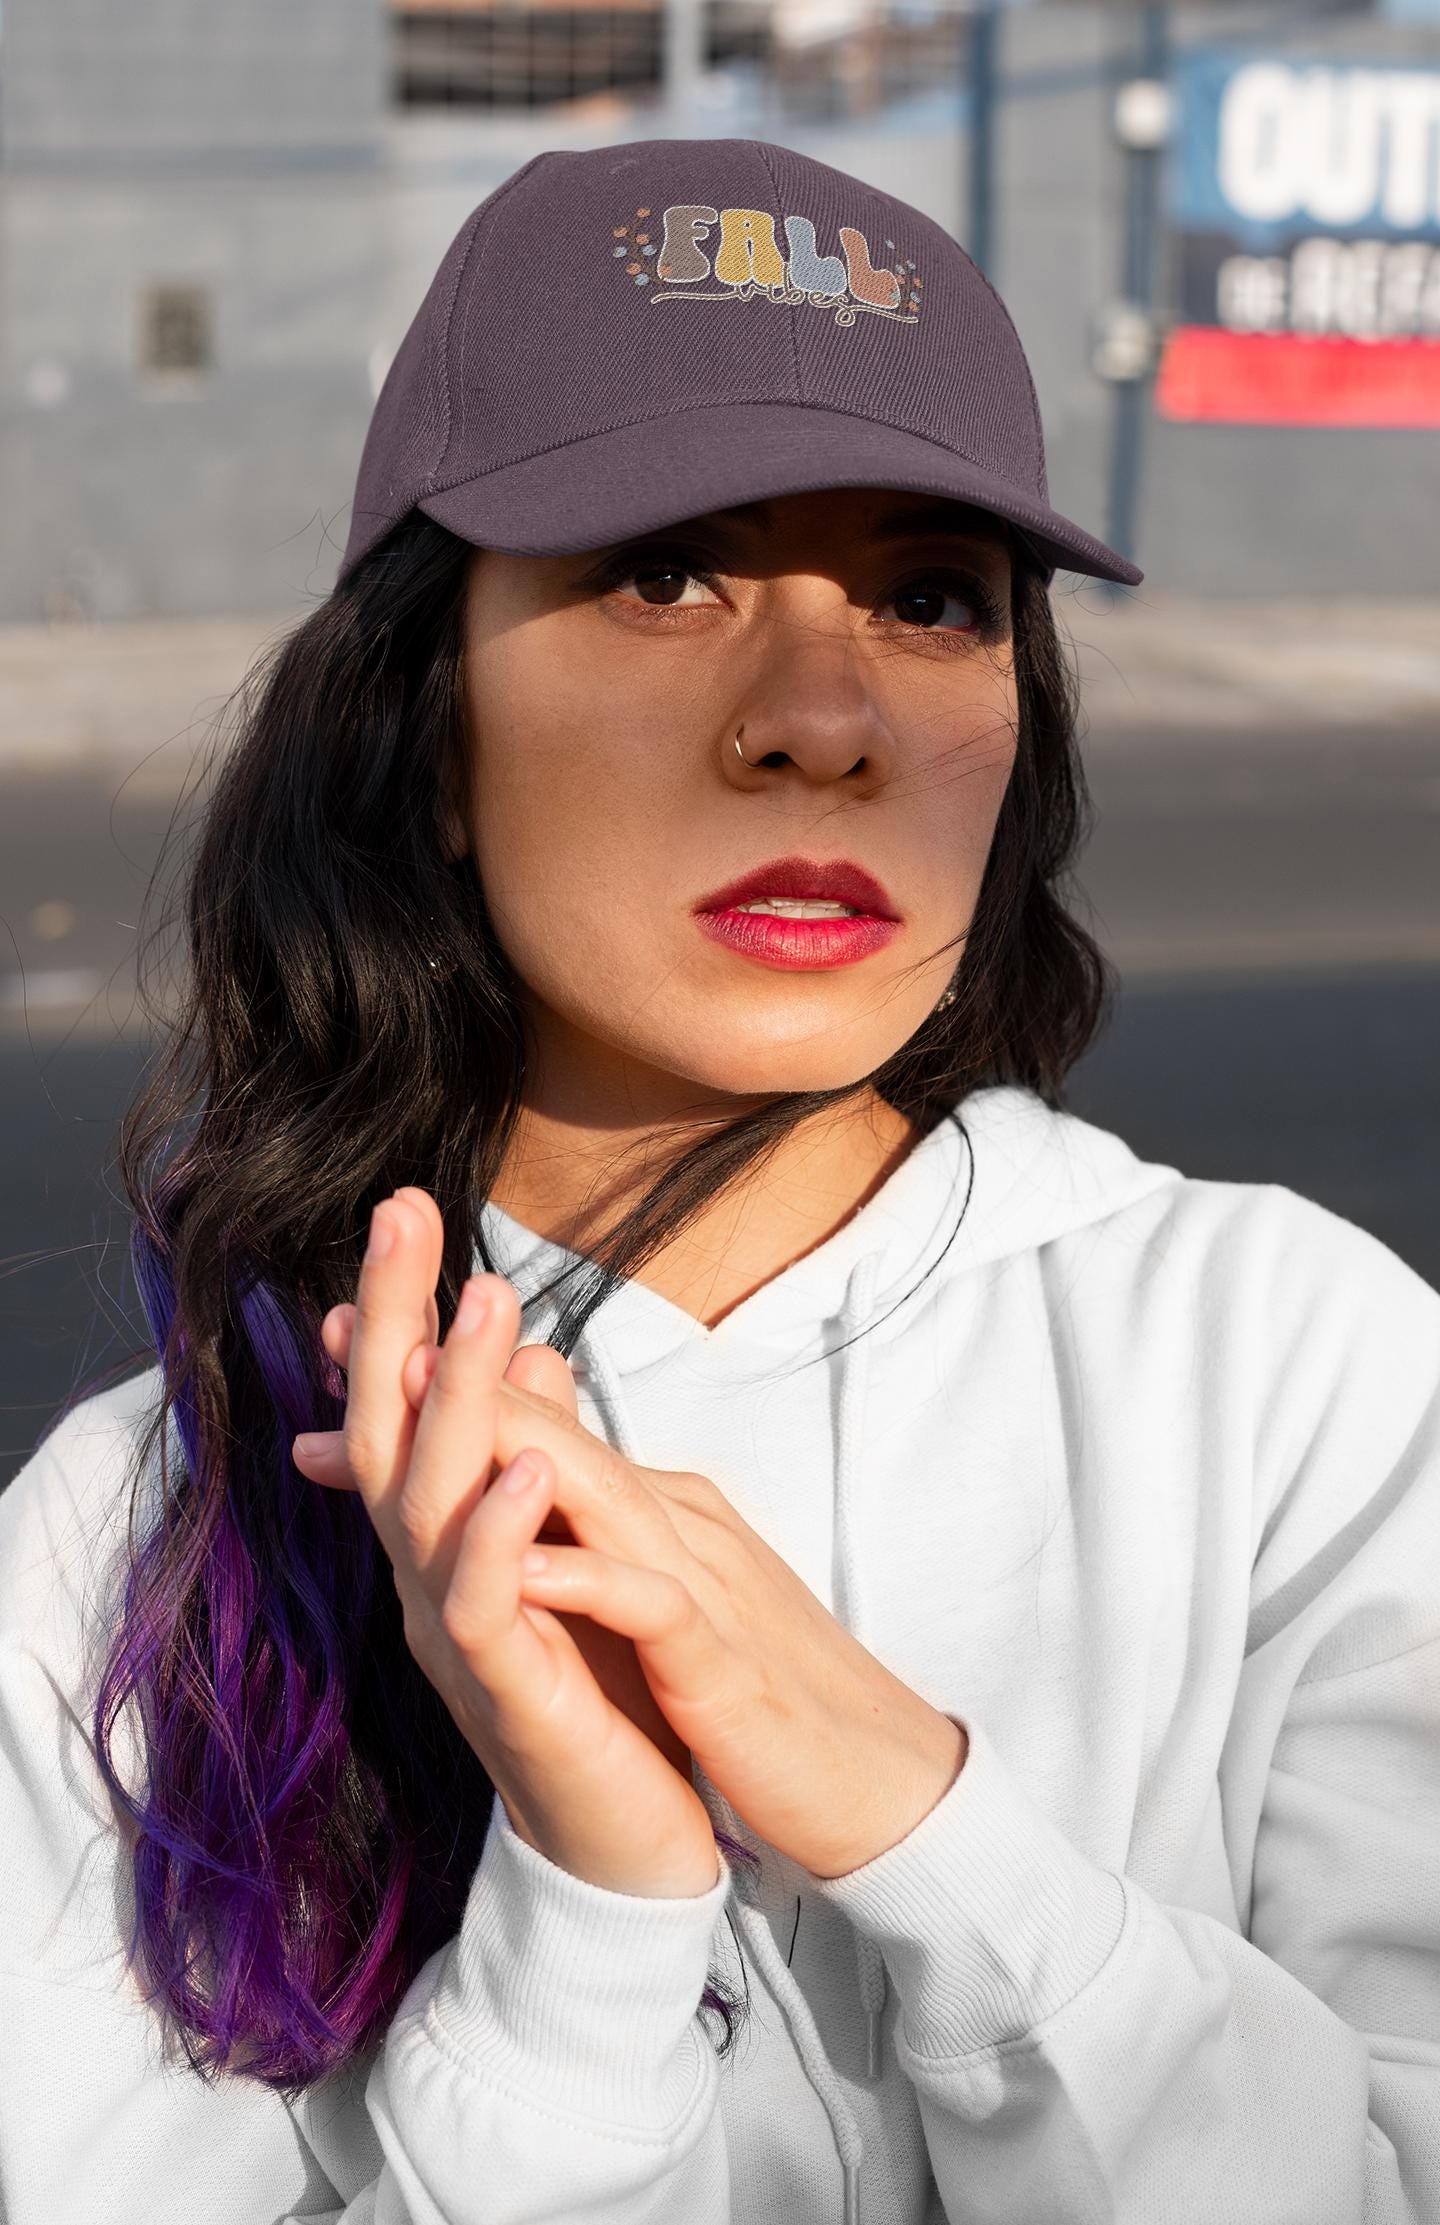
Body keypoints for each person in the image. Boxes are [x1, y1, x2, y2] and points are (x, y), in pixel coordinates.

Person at [0, 136, 1435, 2225]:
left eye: (932, 599)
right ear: (423, 725)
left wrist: (915, 1812)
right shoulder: (140, 1543)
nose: (824, 718)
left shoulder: (1298, 1376)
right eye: (665, 572)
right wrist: (589, 1916)